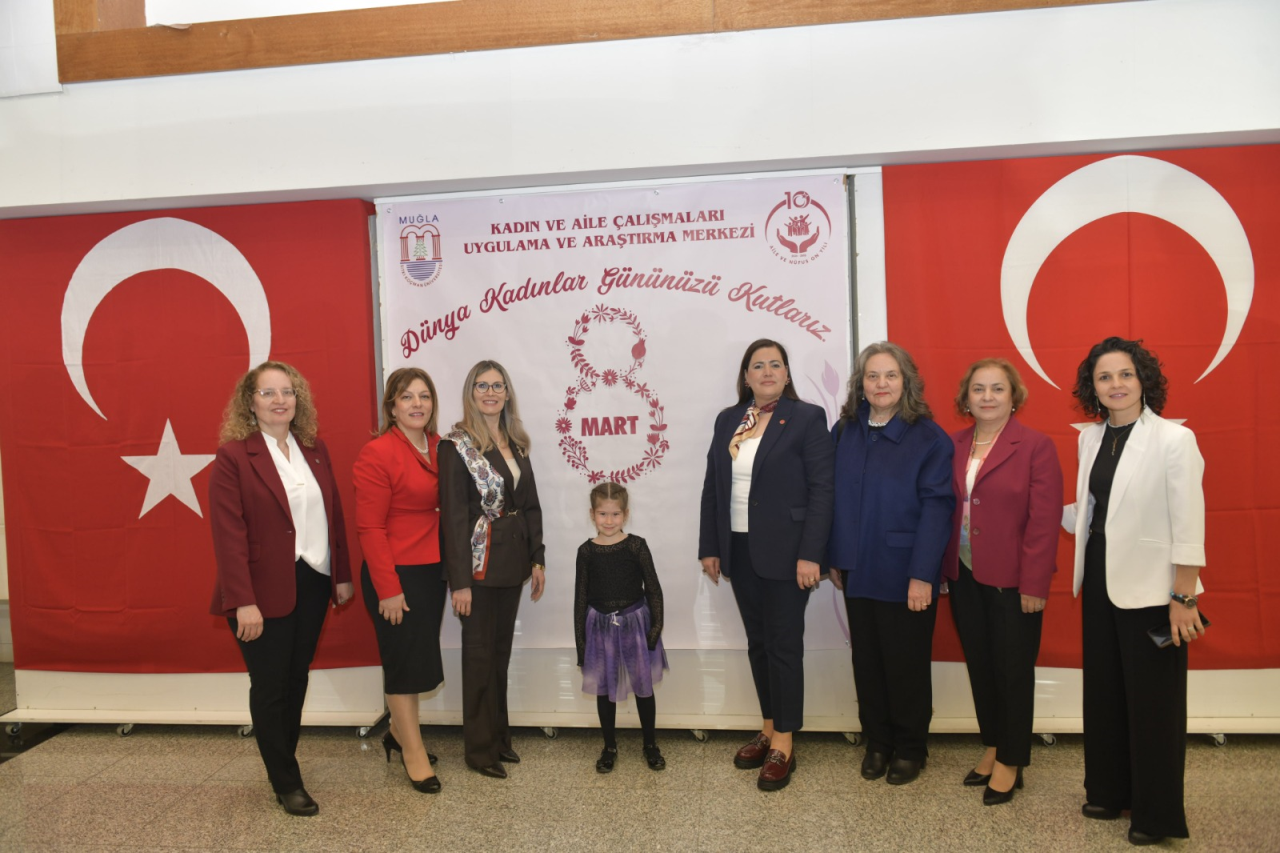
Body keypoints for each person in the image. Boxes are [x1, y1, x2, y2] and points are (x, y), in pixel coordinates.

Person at [1064, 337, 1206, 846]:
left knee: (1154, 705)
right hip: (1101, 580)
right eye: (1104, 377)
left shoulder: (1173, 440)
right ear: (1093, 388)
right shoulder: (1090, 438)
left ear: (1143, 379)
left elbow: (1190, 524)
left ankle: (1156, 815)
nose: (1115, 385)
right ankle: (1108, 789)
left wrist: (1183, 596)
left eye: (1125, 374)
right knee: (1104, 693)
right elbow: (1094, 511)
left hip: (1155, 588)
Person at [208, 361, 353, 817]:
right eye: (268, 393)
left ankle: (281, 763)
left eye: (287, 392)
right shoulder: (234, 457)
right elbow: (228, 536)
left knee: (296, 678)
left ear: (298, 399)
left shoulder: (314, 449)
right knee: (270, 685)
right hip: (259, 591)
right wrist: (243, 601)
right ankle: (286, 781)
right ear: (250, 403)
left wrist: (342, 573)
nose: (279, 400)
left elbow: (334, 514)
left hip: (311, 581)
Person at [698, 338, 834, 792]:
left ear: (787, 374)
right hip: (738, 549)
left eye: (776, 364)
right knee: (758, 644)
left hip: (788, 554)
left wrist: (811, 553)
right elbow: (713, 487)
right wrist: (710, 546)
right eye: (758, 365)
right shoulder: (728, 420)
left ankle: (785, 743)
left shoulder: (807, 418)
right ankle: (768, 724)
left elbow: (822, 491)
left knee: (783, 646)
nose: (767, 371)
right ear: (746, 376)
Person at [828, 341, 954, 786]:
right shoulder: (845, 430)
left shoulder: (929, 437)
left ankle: (910, 747)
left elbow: (938, 509)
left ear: (907, 382)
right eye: (872, 376)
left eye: (890, 376)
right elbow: (832, 497)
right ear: (860, 384)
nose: (881, 384)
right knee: (869, 663)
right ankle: (877, 742)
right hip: (858, 569)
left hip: (906, 573)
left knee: (906, 666)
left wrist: (923, 575)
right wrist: (835, 556)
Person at [941, 358, 1063, 805]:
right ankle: (993, 745)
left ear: (1014, 397)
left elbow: (1045, 522)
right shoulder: (951, 444)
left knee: (1012, 672)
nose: (988, 396)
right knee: (982, 665)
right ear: (966, 398)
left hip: (1014, 581)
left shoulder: (1035, 446)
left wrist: (1034, 584)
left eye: (997, 389)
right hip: (964, 574)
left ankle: (1013, 760)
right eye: (979, 389)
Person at [439, 360, 545, 779]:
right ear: (471, 392)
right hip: (479, 568)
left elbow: (531, 504)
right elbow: (453, 519)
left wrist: (537, 557)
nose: (490, 392)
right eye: (482, 385)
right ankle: (479, 750)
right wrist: (459, 582)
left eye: (498, 385)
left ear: (507, 393)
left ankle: (499, 738)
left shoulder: (515, 442)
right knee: (479, 657)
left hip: (513, 562)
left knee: (499, 655)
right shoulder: (456, 445)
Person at [352, 367, 446, 794]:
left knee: (418, 659)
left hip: (431, 571)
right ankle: (413, 753)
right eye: (407, 397)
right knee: (404, 666)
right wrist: (388, 589)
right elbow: (369, 529)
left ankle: (398, 733)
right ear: (391, 406)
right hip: (395, 574)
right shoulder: (378, 452)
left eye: (424, 396)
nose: (417, 404)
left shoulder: (442, 448)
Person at [575, 481, 668, 773]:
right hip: (599, 627)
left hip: (635, 625)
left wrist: (654, 631)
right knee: (605, 690)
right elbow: (580, 598)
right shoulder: (586, 551)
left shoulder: (636, 546)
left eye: (615, 515)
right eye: (603, 514)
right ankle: (609, 746)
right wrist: (582, 644)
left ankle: (650, 744)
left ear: (625, 514)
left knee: (643, 687)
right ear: (592, 514)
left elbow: (653, 589)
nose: (609, 521)